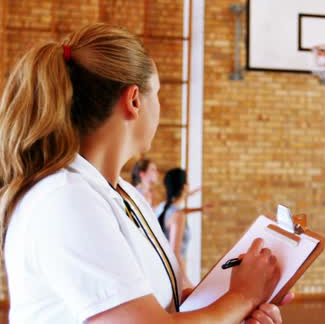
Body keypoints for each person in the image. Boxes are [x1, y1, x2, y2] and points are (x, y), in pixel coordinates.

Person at [0, 23, 289, 324]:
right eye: (158, 93)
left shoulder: (124, 195)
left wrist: (237, 308)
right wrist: (242, 296)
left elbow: (170, 306)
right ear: (134, 100)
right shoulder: (64, 198)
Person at [155, 168, 207, 268]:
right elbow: (175, 254)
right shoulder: (178, 215)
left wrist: (199, 209)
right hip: (170, 275)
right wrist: (186, 282)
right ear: (185, 187)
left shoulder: (161, 208)